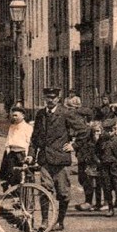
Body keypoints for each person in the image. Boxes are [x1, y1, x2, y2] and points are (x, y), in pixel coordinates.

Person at [31, 89, 75, 225]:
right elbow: (35, 138)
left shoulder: (65, 113)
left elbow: (84, 130)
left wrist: (75, 145)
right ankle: (44, 221)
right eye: (48, 97)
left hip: (60, 159)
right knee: (44, 190)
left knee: (63, 193)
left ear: (58, 98)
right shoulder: (40, 114)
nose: (50, 100)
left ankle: (59, 221)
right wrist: (30, 155)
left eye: (53, 97)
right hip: (45, 159)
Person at [96, 115, 117, 217]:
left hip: (116, 168)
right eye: (105, 130)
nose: (107, 133)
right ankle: (111, 208)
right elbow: (95, 152)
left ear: (113, 130)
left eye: (109, 130)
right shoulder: (101, 140)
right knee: (107, 188)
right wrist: (98, 161)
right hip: (104, 167)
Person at [0, 108, 32, 186]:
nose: (14, 117)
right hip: (12, 153)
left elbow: (29, 142)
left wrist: (27, 155)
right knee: (10, 173)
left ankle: (21, 192)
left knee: (21, 174)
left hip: (21, 153)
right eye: (13, 115)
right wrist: (7, 150)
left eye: (16, 115)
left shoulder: (28, 127)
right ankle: (13, 191)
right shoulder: (12, 127)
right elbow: (8, 139)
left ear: (23, 116)